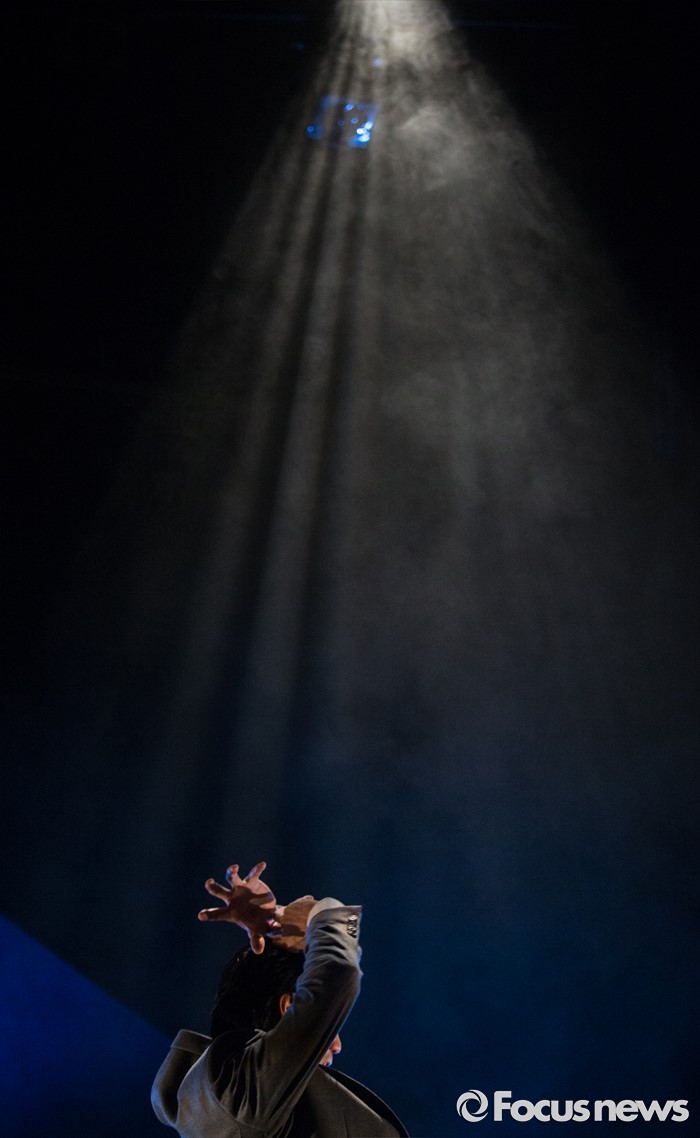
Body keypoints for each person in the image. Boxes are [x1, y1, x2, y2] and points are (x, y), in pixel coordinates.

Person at [152, 861, 408, 1138]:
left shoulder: (235, 1098)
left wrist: (280, 922)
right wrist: (323, 914)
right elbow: (338, 974)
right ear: (289, 1007)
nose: (337, 1045)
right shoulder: (242, 1096)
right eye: (332, 1025)